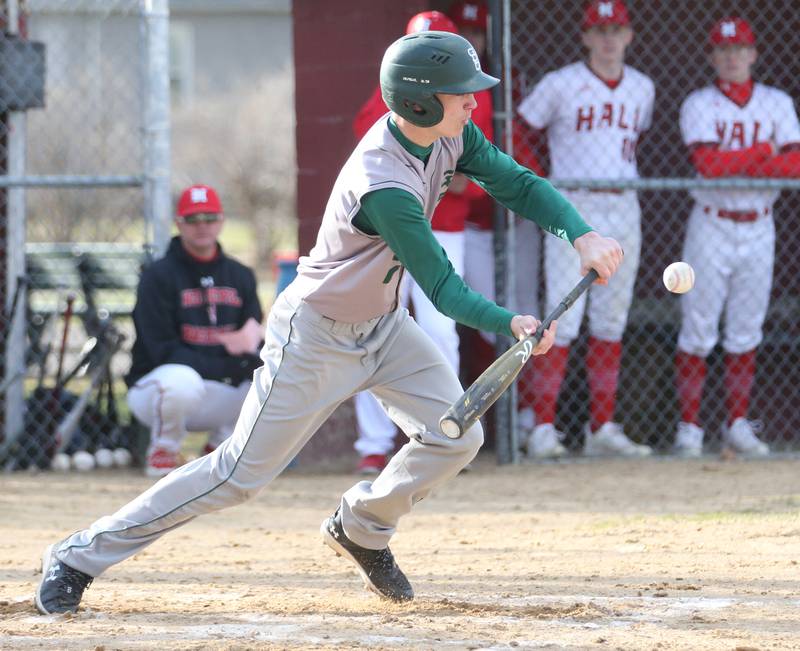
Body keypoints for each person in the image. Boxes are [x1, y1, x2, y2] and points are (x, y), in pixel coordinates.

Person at [35, 31, 623, 614]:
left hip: (385, 326)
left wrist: (583, 233)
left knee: (458, 434)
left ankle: (364, 527)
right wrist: (510, 322)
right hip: (316, 334)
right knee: (237, 475)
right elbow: (442, 286)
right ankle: (79, 554)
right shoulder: (383, 183)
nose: (473, 102)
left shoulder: (449, 134)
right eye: (460, 93)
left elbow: (516, 182)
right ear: (420, 102)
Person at [517, 0, 654, 458]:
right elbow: (518, 131)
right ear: (586, 36)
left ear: (630, 35)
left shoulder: (642, 87)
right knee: (563, 317)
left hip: (623, 206)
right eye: (600, 30)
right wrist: (541, 187)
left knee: (611, 321)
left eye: (617, 29)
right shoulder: (561, 84)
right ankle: (543, 429)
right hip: (573, 209)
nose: (609, 38)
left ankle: (602, 429)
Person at [672, 17, 800, 457]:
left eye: (740, 48)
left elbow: (795, 164)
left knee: (746, 329)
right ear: (712, 57)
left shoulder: (776, 102)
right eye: (723, 50)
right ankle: (689, 427)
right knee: (698, 326)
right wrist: (765, 153)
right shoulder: (700, 103)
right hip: (711, 222)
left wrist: (744, 161)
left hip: (760, 222)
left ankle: (737, 424)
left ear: (753, 54)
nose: (732, 57)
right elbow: (707, 165)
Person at [350, 10, 463, 476]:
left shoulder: (462, 97)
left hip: (447, 226)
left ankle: (450, 429)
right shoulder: (389, 93)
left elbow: (470, 183)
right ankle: (373, 445)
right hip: (392, 228)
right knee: (373, 328)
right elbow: (371, 155)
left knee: (441, 328)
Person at [125, 184, 264, 477]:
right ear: (179, 224)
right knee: (180, 380)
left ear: (221, 221)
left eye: (209, 218)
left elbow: (254, 345)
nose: (202, 226)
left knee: (269, 380)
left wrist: (244, 359)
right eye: (193, 219)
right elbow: (163, 351)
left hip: (214, 388)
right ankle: (164, 450)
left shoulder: (241, 276)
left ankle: (220, 448)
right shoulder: (157, 276)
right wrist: (230, 361)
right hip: (156, 390)